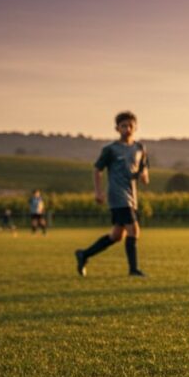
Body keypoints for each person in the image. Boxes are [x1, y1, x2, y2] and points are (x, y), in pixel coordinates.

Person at [74, 111, 149, 276]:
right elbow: (97, 170)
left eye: (130, 125)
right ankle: (133, 270)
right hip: (118, 195)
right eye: (123, 126)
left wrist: (144, 175)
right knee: (134, 230)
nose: (127, 129)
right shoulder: (111, 149)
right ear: (117, 128)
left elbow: (143, 168)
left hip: (132, 196)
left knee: (116, 236)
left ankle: (84, 254)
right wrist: (98, 192)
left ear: (135, 127)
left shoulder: (140, 148)